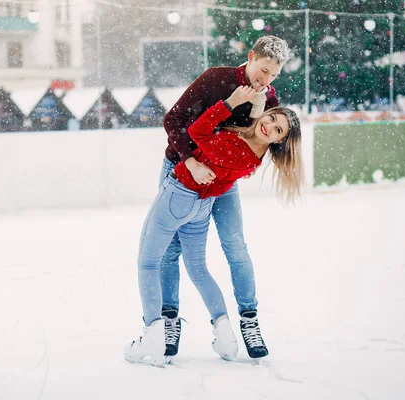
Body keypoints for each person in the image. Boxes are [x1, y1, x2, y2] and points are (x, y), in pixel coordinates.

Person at [124, 85, 303, 366]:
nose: (269, 126)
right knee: (198, 268)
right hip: (201, 206)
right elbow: (221, 178)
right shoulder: (253, 158)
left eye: (278, 129)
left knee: (149, 263)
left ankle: (153, 332)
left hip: (178, 195)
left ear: (280, 141)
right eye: (271, 118)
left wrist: (229, 103)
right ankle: (224, 332)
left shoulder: (236, 147)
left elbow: (196, 131)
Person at [160, 35, 292, 360]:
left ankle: (249, 319)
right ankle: (167, 319)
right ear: (250, 57)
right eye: (262, 71)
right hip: (182, 170)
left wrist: (258, 110)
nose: (266, 80)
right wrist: (190, 160)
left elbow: (258, 142)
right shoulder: (215, 79)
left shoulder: (269, 96)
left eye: (273, 75)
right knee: (171, 247)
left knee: (235, 244)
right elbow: (173, 120)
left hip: (223, 180)